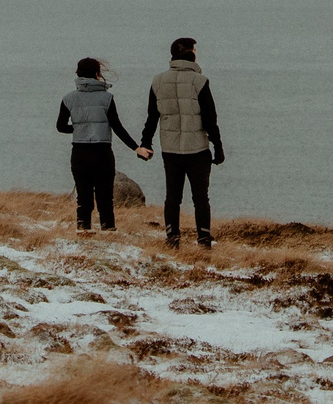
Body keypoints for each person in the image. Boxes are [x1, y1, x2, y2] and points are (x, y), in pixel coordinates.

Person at [139, 36, 225, 249]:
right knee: (200, 198)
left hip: (170, 149)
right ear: (190, 54)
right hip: (197, 149)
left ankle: (172, 238)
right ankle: (204, 239)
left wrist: (146, 143)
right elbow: (209, 118)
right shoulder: (200, 81)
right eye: (195, 50)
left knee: (172, 197)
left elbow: (152, 116)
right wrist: (218, 146)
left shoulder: (157, 81)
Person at [54, 56, 142, 231]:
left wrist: (80, 128)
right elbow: (117, 127)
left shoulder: (68, 99)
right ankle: (108, 230)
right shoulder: (107, 98)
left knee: (83, 197)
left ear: (78, 74)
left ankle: (83, 230)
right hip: (102, 153)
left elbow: (61, 127)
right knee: (105, 197)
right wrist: (137, 148)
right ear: (97, 74)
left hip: (79, 153)